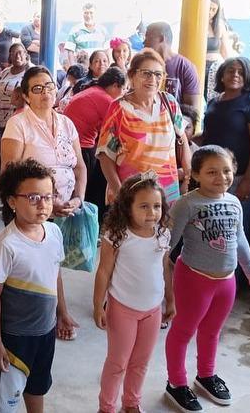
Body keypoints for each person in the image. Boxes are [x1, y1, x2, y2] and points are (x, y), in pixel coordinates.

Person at [164, 146, 250, 412]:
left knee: (212, 332)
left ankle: (205, 375)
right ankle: (176, 383)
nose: (222, 177)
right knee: (183, 330)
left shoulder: (234, 202)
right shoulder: (186, 204)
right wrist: (159, 281)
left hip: (226, 281)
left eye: (227, 171)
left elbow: (239, 239)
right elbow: (167, 244)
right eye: (212, 172)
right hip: (194, 279)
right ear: (195, 175)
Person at [0, 159, 78, 412]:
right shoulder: (6, 245)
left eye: (48, 197)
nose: (43, 204)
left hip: (45, 332)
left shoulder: (53, 233)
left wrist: (62, 312)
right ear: (12, 202)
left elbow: (55, 275)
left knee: (37, 387)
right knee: (5, 400)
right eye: (34, 197)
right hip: (14, 337)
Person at [93, 173, 175, 413]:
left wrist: (170, 300)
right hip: (122, 310)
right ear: (128, 208)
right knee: (118, 363)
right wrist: (99, 305)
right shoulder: (118, 236)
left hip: (152, 311)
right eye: (144, 206)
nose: (152, 212)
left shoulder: (163, 234)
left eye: (157, 206)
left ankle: (131, 402)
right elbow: (103, 272)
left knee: (140, 362)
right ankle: (107, 407)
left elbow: (165, 269)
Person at [98, 49, 191, 206]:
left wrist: (188, 177)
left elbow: (182, 141)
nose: (152, 79)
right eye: (146, 73)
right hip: (131, 196)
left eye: (158, 74)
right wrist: (120, 195)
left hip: (167, 195)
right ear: (132, 75)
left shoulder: (169, 102)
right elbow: (105, 156)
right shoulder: (118, 108)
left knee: (166, 230)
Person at [1, 66, 87, 218]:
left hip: (68, 213)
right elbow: (10, 173)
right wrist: (49, 204)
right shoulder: (18, 124)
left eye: (49, 86)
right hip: (32, 214)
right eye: (37, 88)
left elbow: (80, 167)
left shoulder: (67, 123)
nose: (45, 91)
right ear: (26, 97)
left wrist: (78, 199)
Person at [200, 57, 250, 233]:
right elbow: (209, 135)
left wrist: (248, 180)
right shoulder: (214, 102)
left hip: (244, 176)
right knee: (216, 231)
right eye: (230, 71)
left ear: (247, 76)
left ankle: (238, 263)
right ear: (222, 76)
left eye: (240, 72)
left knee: (236, 232)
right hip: (219, 176)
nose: (235, 75)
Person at [64, 67, 127, 220]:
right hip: (82, 147)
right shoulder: (107, 100)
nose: (124, 94)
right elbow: (115, 132)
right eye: (124, 89)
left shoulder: (93, 90)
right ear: (114, 86)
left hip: (70, 145)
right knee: (100, 179)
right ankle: (93, 220)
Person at [144, 21, 202, 109]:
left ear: (161, 38)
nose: (144, 42)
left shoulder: (185, 67)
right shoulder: (143, 65)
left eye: (148, 37)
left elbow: (192, 110)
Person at [0, 43, 29, 131]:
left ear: (25, 54)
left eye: (20, 53)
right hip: (1, 118)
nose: (17, 56)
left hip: (20, 119)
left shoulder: (30, 72)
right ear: (10, 56)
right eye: (14, 53)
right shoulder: (5, 72)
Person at [205, 0, 231, 100]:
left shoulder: (219, 25)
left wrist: (229, 68)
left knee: (215, 98)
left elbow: (225, 51)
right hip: (199, 67)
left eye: (214, 10)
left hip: (215, 68)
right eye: (209, 8)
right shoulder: (196, 23)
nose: (210, 12)